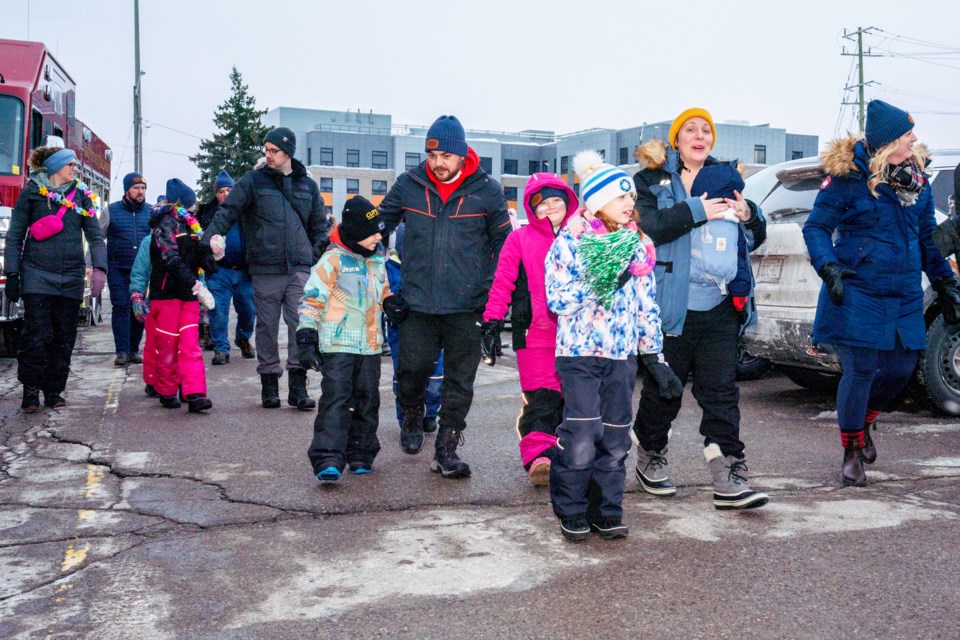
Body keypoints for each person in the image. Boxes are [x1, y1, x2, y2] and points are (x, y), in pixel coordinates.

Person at [803, 99, 960, 487]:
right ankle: (851, 450)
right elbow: (816, 228)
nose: (915, 139)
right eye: (908, 134)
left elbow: (926, 240)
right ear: (889, 142)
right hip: (858, 289)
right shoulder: (848, 180)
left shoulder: (918, 184)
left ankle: (865, 423)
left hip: (904, 290)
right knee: (859, 372)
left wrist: (945, 283)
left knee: (900, 370)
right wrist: (829, 266)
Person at [632, 107, 769, 510]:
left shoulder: (725, 178)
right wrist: (696, 210)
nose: (699, 135)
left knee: (721, 392)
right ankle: (650, 455)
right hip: (670, 306)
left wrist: (750, 214)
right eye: (689, 129)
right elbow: (647, 227)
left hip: (720, 307)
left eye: (705, 130)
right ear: (676, 140)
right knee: (665, 392)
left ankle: (728, 475)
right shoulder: (651, 179)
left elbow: (754, 237)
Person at [544, 151, 682, 541]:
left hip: (620, 357)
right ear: (598, 201)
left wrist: (654, 356)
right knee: (583, 434)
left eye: (632, 199)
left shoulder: (637, 246)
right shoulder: (570, 242)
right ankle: (571, 509)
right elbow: (558, 299)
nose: (630, 204)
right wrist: (603, 281)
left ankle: (606, 510)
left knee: (616, 437)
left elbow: (646, 306)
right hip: (579, 355)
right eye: (623, 198)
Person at [378, 115, 511, 478]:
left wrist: (494, 301)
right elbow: (375, 231)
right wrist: (386, 289)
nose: (437, 163)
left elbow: (505, 246)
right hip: (417, 304)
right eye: (432, 155)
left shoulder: (487, 190)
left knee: (459, 382)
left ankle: (447, 448)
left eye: (446, 156)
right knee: (411, 371)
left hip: (467, 307)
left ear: (462, 154)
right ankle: (412, 414)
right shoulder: (409, 184)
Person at [203, 128, 330, 410]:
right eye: (266, 150)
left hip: (299, 267)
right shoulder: (253, 181)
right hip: (265, 268)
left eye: (274, 151)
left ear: (288, 152)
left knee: (301, 324)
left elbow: (320, 226)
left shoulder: (307, 186)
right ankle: (269, 384)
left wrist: (312, 254)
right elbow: (226, 213)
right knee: (267, 327)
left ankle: (298, 386)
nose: (268, 155)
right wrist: (206, 242)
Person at [481, 173, 578, 486]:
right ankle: (540, 458)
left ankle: (569, 452)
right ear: (531, 209)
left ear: (568, 202)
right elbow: (503, 282)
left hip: (579, 335)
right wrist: (493, 321)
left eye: (556, 201)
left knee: (573, 398)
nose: (550, 208)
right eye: (542, 204)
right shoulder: (519, 239)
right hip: (533, 333)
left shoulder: (583, 236)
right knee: (540, 398)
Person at [3, 147, 107, 411]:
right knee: (36, 335)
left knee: (63, 337)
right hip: (37, 274)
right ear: (56, 167)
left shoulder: (82, 196)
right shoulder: (31, 194)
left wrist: (99, 268)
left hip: (71, 276)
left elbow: (95, 235)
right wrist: (12, 273)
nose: (75, 169)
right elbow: (15, 236)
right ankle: (30, 391)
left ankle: (54, 390)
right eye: (71, 164)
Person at [297, 196, 392, 482]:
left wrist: (390, 303)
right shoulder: (333, 260)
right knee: (337, 400)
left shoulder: (376, 261)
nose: (379, 236)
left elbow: (383, 289)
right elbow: (312, 298)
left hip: (371, 345)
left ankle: (361, 454)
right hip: (338, 345)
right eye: (373, 231)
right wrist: (306, 334)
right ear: (355, 232)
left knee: (367, 400)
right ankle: (328, 457)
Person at [148, 179, 217, 413]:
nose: (195, 206)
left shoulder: (191, 225)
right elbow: (170, 259)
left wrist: (213, 256)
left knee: (190, 345)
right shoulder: (164, 224)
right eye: (192, 201)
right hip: (167, 295)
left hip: (188, 295)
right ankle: (167, 390)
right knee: (168, 345)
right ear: (182, 202)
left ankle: (194, 393)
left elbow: (199, 256)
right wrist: (195, 284)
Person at [385, 223, 443, 435]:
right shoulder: (391, 267)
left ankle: (430, 413)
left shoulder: (432, 265)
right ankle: (408, 416)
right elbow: (387, 294)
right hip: (401, 331)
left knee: (436, 375)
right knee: (405, 375)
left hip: (432, 328)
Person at [198, 170, 256, 365]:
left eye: (229, 190)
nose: (225, 194)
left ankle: (243, 337)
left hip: (243, 270)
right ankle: (221, 348)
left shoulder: (245, 211)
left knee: (248, 310)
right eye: (221, 191)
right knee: (218, 311)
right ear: (216, 194)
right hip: (219, 271)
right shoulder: (208, 214)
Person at [101, 172, 150, 366]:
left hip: (142, 272)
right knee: (121, 307)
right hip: (118, 268)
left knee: (138, 309)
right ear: (127, 190)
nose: (140, 192)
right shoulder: (111, 211)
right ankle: (121, 351)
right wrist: (93, 265)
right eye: (136, 188)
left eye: (143, 188)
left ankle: (133, 350)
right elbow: (98, 237)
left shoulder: (150, 212)